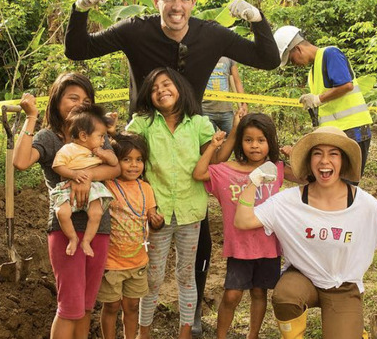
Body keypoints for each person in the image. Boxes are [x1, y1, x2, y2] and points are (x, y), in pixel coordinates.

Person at [233, 126, 377, 339]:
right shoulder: (288, 202)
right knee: (285, 296)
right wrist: (253, 182)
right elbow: (243, 221)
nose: (324, 161)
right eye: (317, 153)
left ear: (343, 161)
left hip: (343, 286)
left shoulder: (364, 204)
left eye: (333, 154)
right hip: (303, 277)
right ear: (309, 161)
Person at [65, 0, 280, 113]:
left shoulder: (213, 35)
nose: (177, 7)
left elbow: (268, 60)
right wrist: (80, 7)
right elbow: (78, 50)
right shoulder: (134, 30)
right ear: (155, 0)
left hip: (190, 138)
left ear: (193, 2)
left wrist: (257, 19)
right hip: (142, 141)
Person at [12, 73, 120, 339]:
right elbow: (21, 162)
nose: (78, 103)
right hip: (65, 229)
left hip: (98, 228)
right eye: (72, 97)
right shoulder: (50, 138)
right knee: (70, 307)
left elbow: (114, 169)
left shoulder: (95, 133)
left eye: (85, 99)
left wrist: (87, 178)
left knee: (85, 307)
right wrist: (30, 118)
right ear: (57, 100)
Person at [125, 67, 225, 339]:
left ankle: (184, 333)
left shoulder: (199, 124)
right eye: (154, 88)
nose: (161, 91)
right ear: (149, 96)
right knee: (153, 278)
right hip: (155, 214)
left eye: (166, 84)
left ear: (180, 88)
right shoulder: (142, 123)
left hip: (191, 212)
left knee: (185, 275)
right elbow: (125, 155)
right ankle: (143, 333)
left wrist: (229, 135)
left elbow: (213, 162)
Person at [192, 113, 296, 339]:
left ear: (270, 142)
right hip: (240, 247)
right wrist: (212, 147)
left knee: (260, 293)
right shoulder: (227, 170)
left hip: (268, 246)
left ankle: (253, 335)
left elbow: (307, 177)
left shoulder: (276, 168)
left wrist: (295, 155)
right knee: (231, 296)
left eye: (261, 140)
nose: (255, 145)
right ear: (240, 142)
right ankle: (221, 336)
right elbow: (199, 173)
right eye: (248, 140)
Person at [193, 56, 247, 334]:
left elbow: (236, 78)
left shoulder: (229, 57)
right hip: (203, 108)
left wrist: (240, 102)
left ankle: (193, 315)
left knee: (221, 150)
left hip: (224, 109)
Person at [274, 26, 374, 177]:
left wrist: (317, 99)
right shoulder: (312, 72)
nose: (294, 64)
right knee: (334, 181)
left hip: (353, 130)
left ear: (298, 49)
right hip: (335, 132)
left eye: (291, 59)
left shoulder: (330, 53)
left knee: (347, 181)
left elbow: (346, 85)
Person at [98, 133, 164, 339]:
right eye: (126, 159)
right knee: (111, 306)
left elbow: (150, 221)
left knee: (132, 305)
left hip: (138, 262)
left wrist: (157, 221)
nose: (133, 165)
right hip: (112, 262)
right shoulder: (107, 184)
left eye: (138, 160)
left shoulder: (146, 188)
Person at [52, 104, 118, 257]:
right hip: (69, 187)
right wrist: (73, 174)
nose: (104, 140)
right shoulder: (69, 149)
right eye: (101, 136)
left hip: (94, 187)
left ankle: (86, 241)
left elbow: (114, 163)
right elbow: (57, 166)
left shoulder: (99, 152)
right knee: (62, 212)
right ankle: (72, 238)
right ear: (83, 136)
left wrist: (104, 154)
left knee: (96, 213)